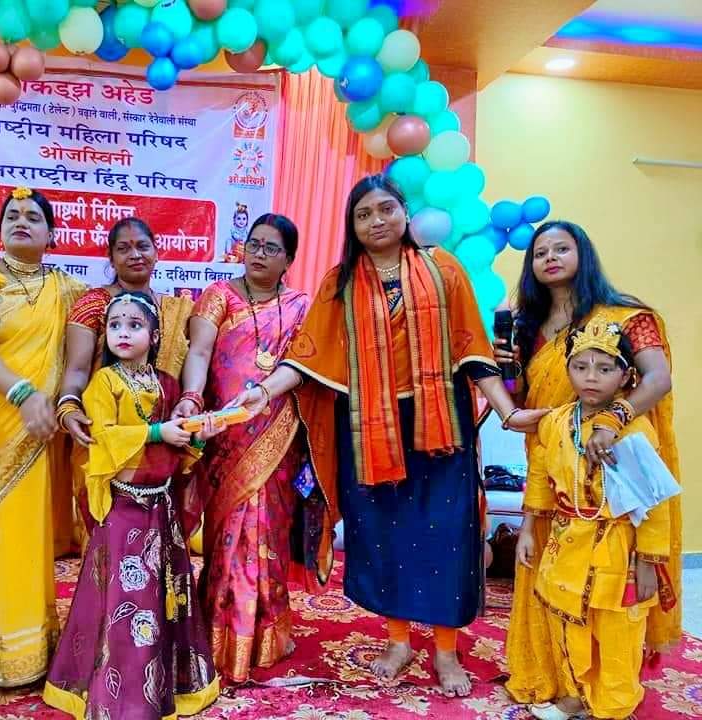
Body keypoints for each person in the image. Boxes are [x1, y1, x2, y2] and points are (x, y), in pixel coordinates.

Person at [229, 174, 547, 697]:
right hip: (367, 427)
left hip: (440, 427)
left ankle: (446, 650)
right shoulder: (341, 282)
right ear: (351, 225)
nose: (376, 221)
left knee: (446, 537)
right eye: (363, 214)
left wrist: (508, 412)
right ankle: (398, 641)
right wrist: (263, 391)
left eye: (385, 209)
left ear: (404, 213)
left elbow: (472, 349)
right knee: (385, 534)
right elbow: (309, 356)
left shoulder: (443, 268)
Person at [500, 221, 680, 706]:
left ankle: (609, 692)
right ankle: (555, 679)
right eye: (540, 252)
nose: (550, 258)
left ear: (584, 254)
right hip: (555, 466)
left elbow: (657, 378)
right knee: (553, 584)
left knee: (611, 601)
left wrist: (614, 420)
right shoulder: (528, 326)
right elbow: (526, 397)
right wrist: (507, 372)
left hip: (614, 465)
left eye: (562, 248)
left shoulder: (626, 316)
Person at [44, 292, 221, 720]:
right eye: (115, 325)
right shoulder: (104, 383)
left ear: (155, 335)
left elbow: (180, 452)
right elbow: (103, 437)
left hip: (162, 509)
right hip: (124, 512)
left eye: (135, 325)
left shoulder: (167, 384)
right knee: (130, 602)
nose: (123, 333)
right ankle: (125, 699)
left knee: (165, 598)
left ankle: (166, 688)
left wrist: (199, 437)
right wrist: (157, 432)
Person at [0, 187, 86, 687]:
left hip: (41, 431)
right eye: (12, 215)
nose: (21, 221)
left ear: (52, 234)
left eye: (33, 216)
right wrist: (23, 394)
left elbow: (99, 336)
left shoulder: (69, 290)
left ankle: (30, 650)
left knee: (30, 534)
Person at [172, 213, 310, 682]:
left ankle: (263, 631)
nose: (259, 254)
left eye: (272, 248)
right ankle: (216, 631)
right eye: (254, 244)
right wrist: (192, 397)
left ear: (289, 259)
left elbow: (303, 367)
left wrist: (266, 394)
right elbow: (199, 352)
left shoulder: (301, 306)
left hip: (277, 434)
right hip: (225, 432)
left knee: (267, 530)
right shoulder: (219, 295)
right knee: (226, 532)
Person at [515, 316, 672, 720]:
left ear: (626, 376)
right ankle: (573, 697)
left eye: (604, 369)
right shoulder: (555, 423)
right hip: (565, 543)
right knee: (567, 626)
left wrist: (648, 561)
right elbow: (539, 477)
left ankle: (614, 707)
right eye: (581, 366)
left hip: (617, 552)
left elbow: (653, 504)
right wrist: (528, 529)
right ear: (568, 370)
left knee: (618, 634)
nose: (591, 377)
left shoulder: (636, 430)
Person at [57, 217, 192, 537]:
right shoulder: (93, 304)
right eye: (123, 248)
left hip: (167, 443)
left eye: (143, 246)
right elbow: (77, 368)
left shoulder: (178, 310)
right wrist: (68, 407)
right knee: (110, 541)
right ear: (111, 257)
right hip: (106, 437)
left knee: (161, 539)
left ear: (156, 252)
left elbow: (184, 374)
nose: (135, 255)